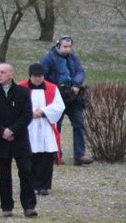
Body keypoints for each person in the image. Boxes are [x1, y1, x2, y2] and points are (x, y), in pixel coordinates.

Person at [0, 63, 37, 218]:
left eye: (3, 72)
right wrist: (2, 131)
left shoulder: (23, 92)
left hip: (20, 139)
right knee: (3, 175)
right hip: (0, 140)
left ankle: (29, 206)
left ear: (11, 74)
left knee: (26, 172)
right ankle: (6, 206)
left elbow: (27, 115)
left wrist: (13, 130)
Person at [39, 35, 92, 166]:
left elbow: (80, 71)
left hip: (73, 97)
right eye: (65, 46)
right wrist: (53, 89)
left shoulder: (73, 58)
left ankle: (79, 155)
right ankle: (56, 154)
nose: (67, 49)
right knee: (56, 126)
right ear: (58, 46)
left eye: (69, 47)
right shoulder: (48, 59)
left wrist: (76, 84)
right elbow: (42, 76)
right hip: (57, 96)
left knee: (79, 124)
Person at [19, 63, 65, 196]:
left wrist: (44, 111)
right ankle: (31, 184)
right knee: (30, 156)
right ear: (30, 76)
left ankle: (44, 186)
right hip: (29, 126)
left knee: (46, 157)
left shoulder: (52, 88)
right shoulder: (22, 87)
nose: (38, 79)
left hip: (45, 125)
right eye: (35, 76)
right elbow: (15, 105)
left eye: (40, 76)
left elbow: (59, 106)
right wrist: (30, 113)